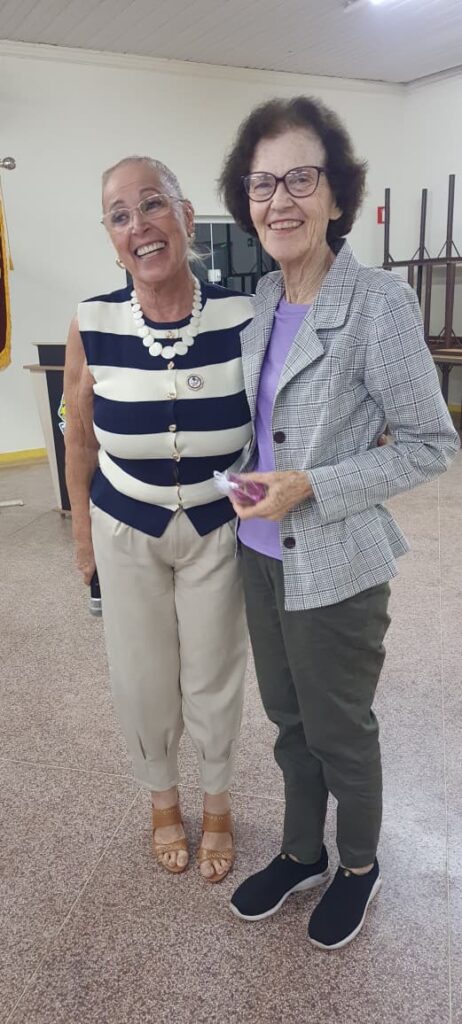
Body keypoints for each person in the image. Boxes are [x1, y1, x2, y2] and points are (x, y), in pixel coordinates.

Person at [218, 96, 460, 948]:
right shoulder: (258, 301)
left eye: (300, 178)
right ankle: (301, 852)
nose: (279, 200)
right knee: (288, 722)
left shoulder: (378, 302)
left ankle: (358, 864)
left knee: (339, 729)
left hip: (336, 560)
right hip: (257, 551)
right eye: (262, 183)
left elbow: (431, 444)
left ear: (335, 193)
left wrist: (311, 484)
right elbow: (261, 425)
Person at [64, 155, 254, 882]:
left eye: (152, 204)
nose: (138, 225)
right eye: (120, 215)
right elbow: (80, 438)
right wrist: (83, 539)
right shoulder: (92, 320)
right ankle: (162, 801)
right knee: (142, 674)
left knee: (215, 671)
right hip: (125, 527)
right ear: (111, 236)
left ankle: (217, 803)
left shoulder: (243, 314)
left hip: (218, 528)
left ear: (185, 215)